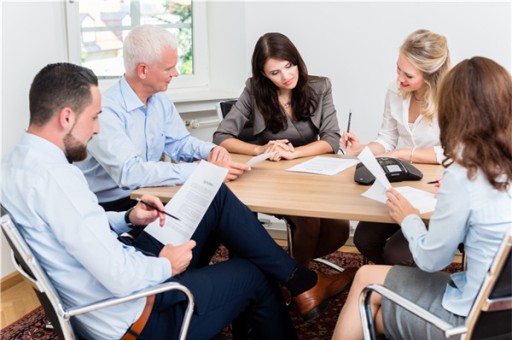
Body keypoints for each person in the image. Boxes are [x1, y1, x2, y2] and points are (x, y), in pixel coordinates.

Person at [1, 63, 356, 340]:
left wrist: (128, 218)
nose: (96, 129)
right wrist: (166, 266)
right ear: (66, 116)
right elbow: (119, 276)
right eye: (94, 118)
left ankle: (300, 284)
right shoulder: (56, 179)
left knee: (213, 196)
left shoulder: (22, 163)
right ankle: (298, 286)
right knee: (253, 274)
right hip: (133, 314)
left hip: (116, 280)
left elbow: (81, 226)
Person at [332, 56, 512, 340]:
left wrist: (410, 218)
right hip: (503, 316)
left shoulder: (465, 173)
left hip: (470, 321)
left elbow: (432, 259)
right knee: (376, 314)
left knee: (365, 281)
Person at [213, 32, 352, 271]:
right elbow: (221, 137)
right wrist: (261, 148)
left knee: (339, 231)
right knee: (309, 224)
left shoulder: (320, 87)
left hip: (313, 174)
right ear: (264, 75)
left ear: (296, 61)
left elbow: (331, 139)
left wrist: (295, 153)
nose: (286, 77)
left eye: (289, 66)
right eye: (275, 72)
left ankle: (284, 268)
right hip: (274, 179)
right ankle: (300, 282)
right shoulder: (255, 90)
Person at [76, 25, 250, 212]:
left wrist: (213, 151)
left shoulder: (160, 100)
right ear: (143, 70)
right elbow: (130, 174)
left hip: (149, 194)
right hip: (113, 207)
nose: (176, 73)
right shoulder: (106, 111)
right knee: (213, 204)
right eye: (169, 68)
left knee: (216, 200)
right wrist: (200, 170)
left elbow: (180, 142)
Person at [340, 29, 451, 266]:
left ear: (430, 75)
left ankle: (409, 284)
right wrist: (362, 149)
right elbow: (387, 139)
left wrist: (405, 153)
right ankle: (399, 281)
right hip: (405, 183)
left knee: (398, 253)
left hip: (437, 189)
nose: (400, 78)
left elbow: (454, 153)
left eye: (408, 75)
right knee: (364, 239)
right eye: (398, 69)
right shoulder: (394, 91)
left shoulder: (451, 98)